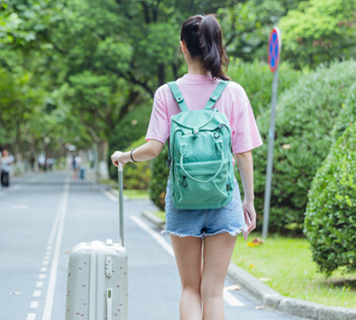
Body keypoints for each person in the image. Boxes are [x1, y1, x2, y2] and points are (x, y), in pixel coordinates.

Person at [111, 15, 260, 320]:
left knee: (190, 289)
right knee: (214, 292)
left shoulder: (167, 94)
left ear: (183, 48)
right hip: (223, 197)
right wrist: (249, 201)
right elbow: (243, 154)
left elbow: (153, 148)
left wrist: (124, 156)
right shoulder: (234, 93)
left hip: (182, 198)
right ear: (217, 46)